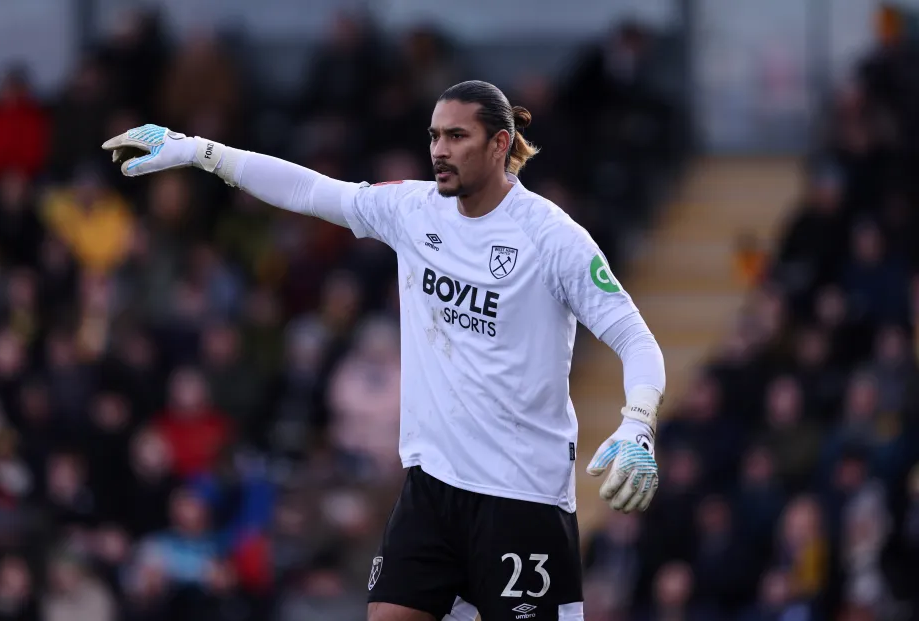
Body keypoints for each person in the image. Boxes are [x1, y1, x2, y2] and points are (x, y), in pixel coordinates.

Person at [103, 80, 666, 621]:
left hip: (521, 496)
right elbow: (309, 191)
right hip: (433, 486)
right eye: (434, 136)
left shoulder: (553, 238)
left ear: (500, 144)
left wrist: (637, 423)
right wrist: (198, 151)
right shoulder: (413, 209)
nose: (439, 150)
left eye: (457, 137)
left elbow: (634, 338)